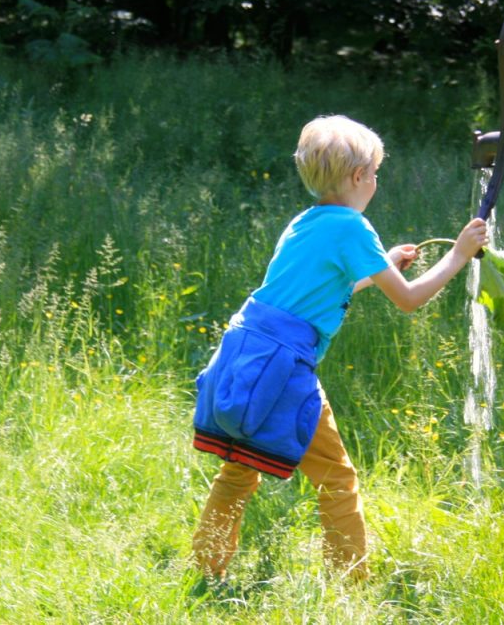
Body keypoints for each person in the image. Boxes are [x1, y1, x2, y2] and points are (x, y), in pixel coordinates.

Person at [191, 114, 488, 582]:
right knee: (337, 478)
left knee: (237, 473)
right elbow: (408, 300)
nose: (376, 180)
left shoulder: (304, 222)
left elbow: (327, 288)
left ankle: (206, 573)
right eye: (375, 172)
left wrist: (384, 263)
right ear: (358, 177)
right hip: (284, 371)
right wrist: (459, 255)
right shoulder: (353, 227)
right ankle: (350, 586)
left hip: (246, 357)